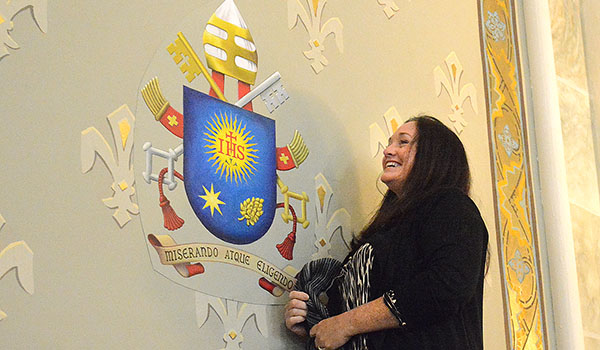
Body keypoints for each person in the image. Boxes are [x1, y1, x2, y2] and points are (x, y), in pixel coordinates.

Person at [285, 115, 489, 350]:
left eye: (403, 142)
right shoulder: (383, 235)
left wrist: (345, 323)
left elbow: (446, 287)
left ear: (434, 155)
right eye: (390, 143)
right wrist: (312, 323)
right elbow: (354, 327)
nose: (388, 151)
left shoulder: (452, 206)